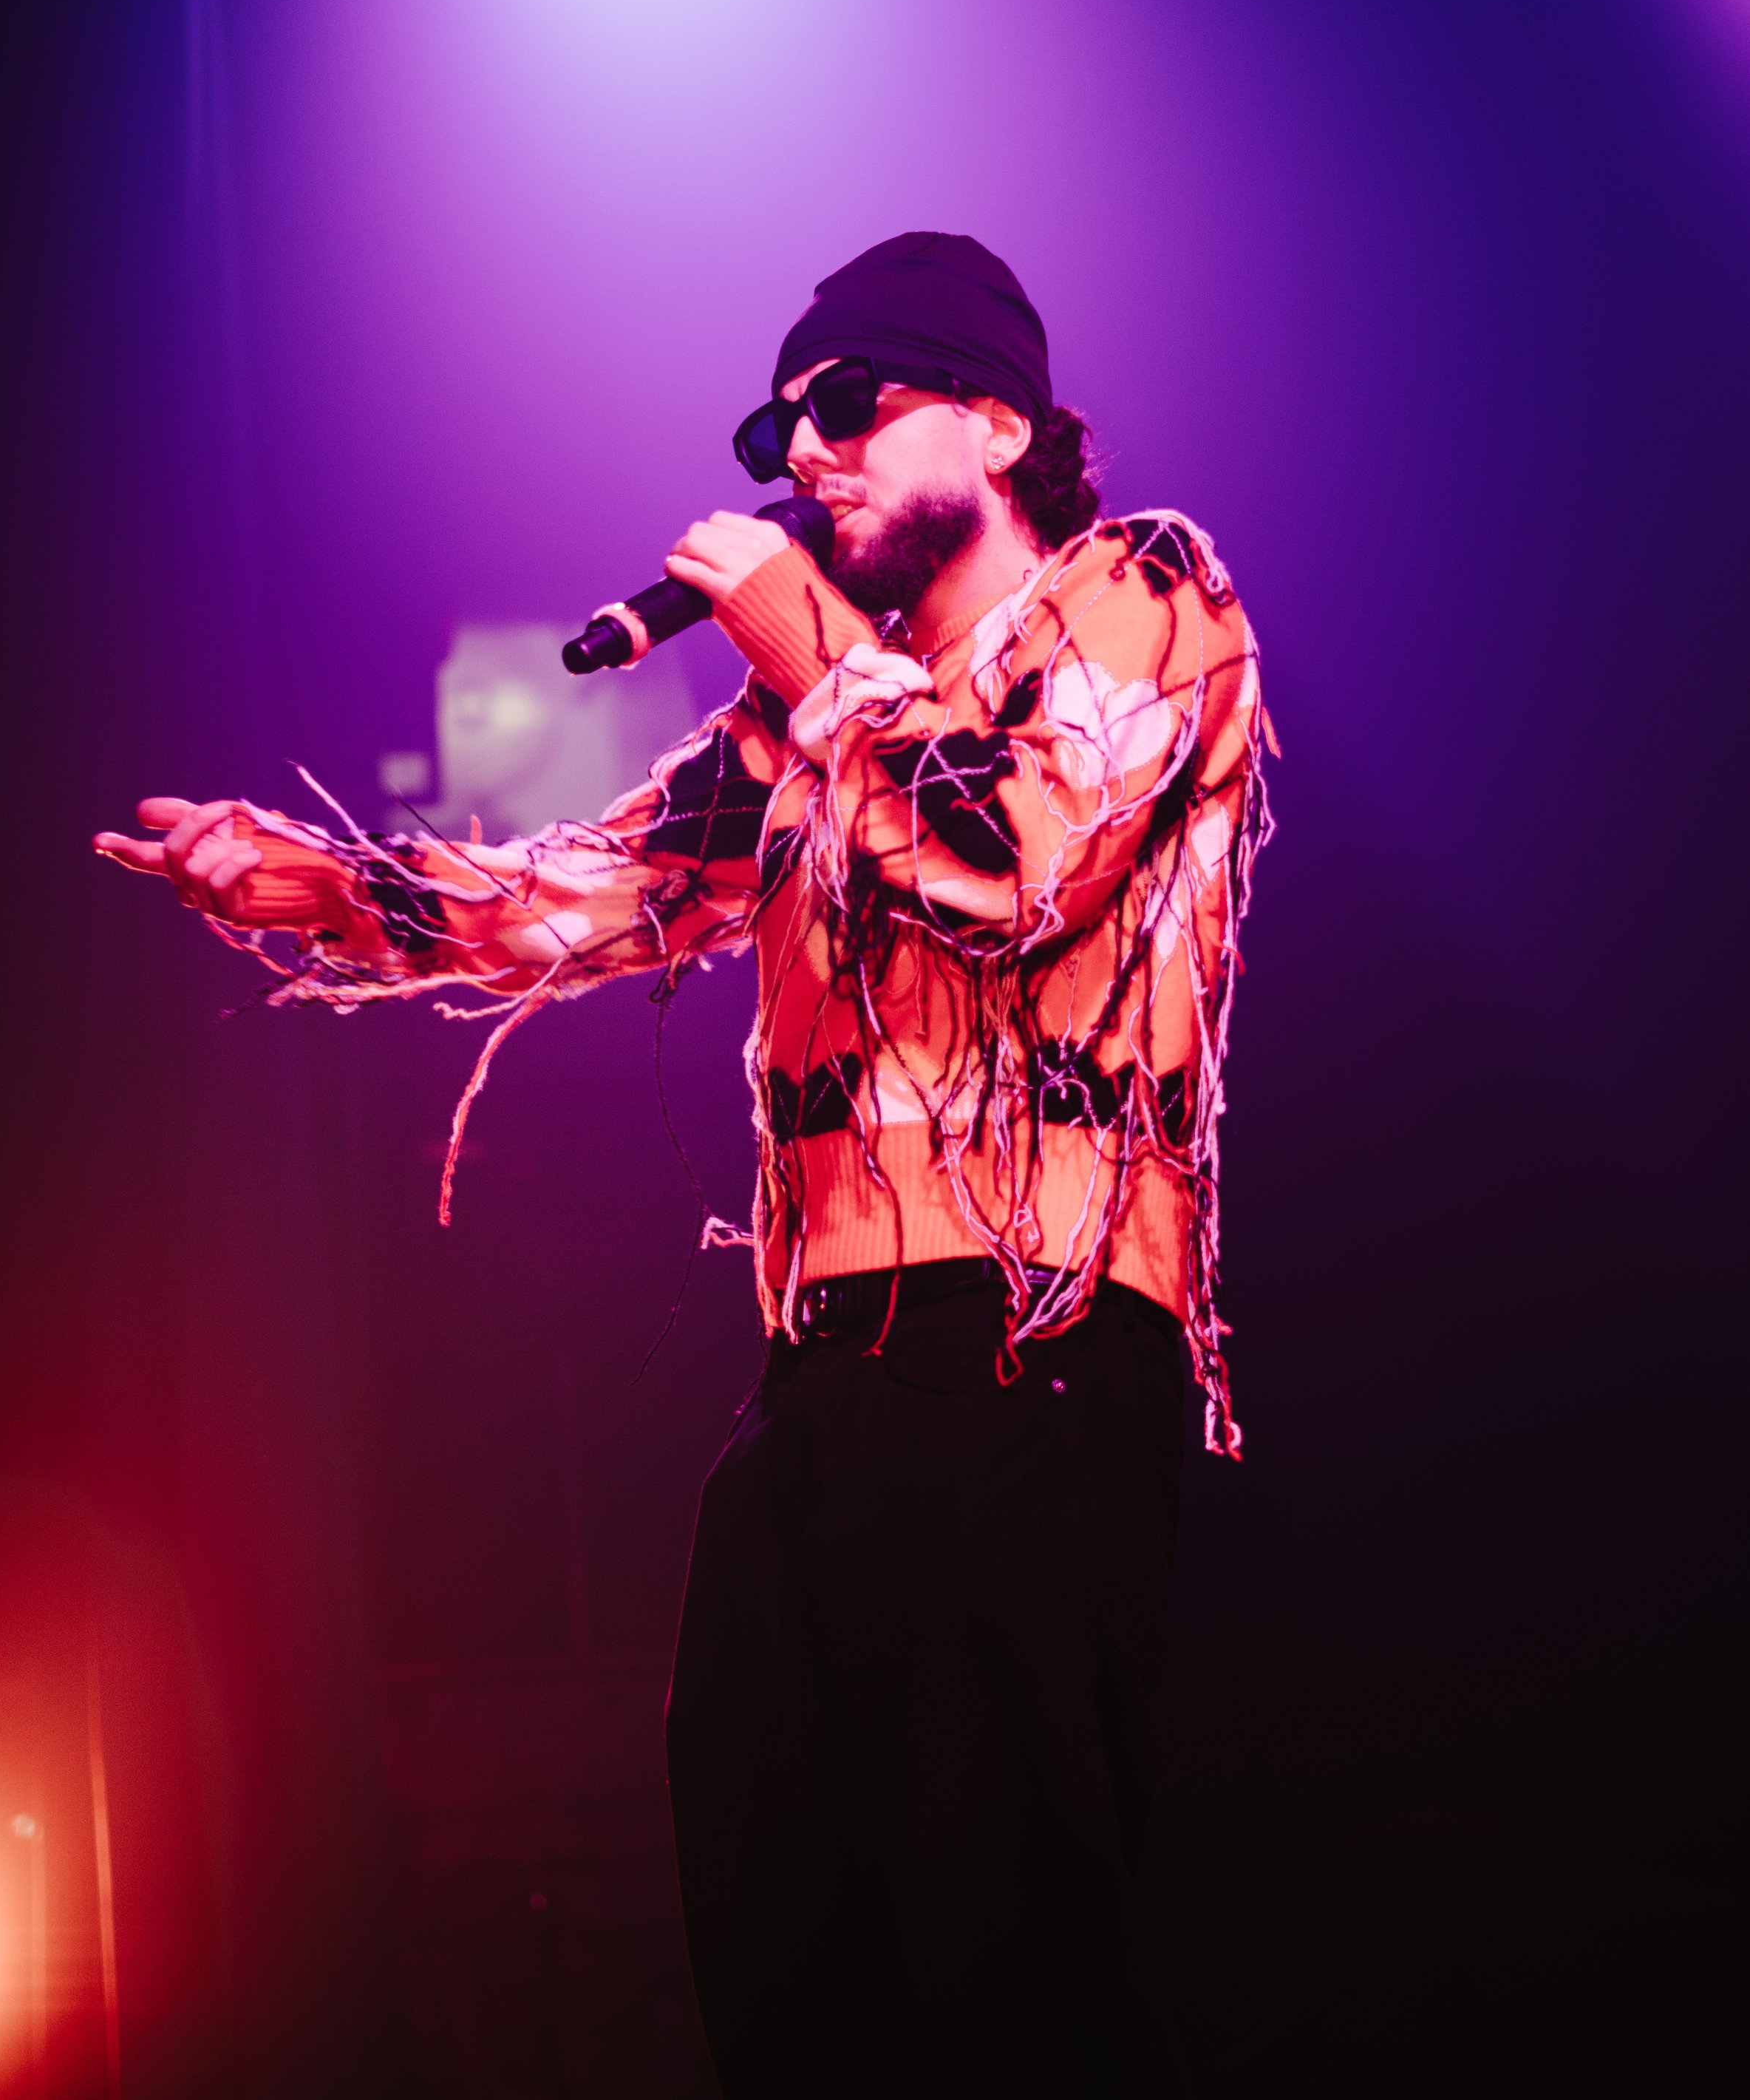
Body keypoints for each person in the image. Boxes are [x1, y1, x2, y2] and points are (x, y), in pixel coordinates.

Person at [97, 231, 1271, 2096]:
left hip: (1027, 1365)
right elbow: (575, 898)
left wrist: (806, 653)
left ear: (999, 419)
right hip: (826, 1390)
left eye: (845, 405)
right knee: (785, 1945)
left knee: (997, 1957)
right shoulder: (807, 728)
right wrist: (305, 881)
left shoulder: (1138, 598)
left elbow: (1011, 861)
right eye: (774, 423)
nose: (797, 453)